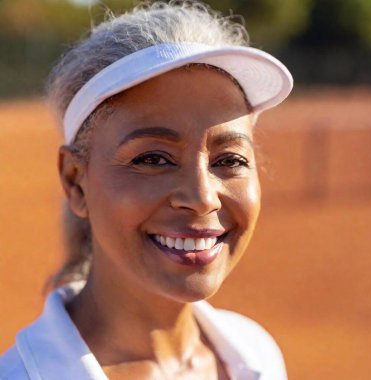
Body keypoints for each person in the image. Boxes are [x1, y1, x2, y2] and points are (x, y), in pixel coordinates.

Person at [0, 1, 293, 379]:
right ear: (75, 180)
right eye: (153, 159)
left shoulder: (256, 353)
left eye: (230, 160)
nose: (202, 196)